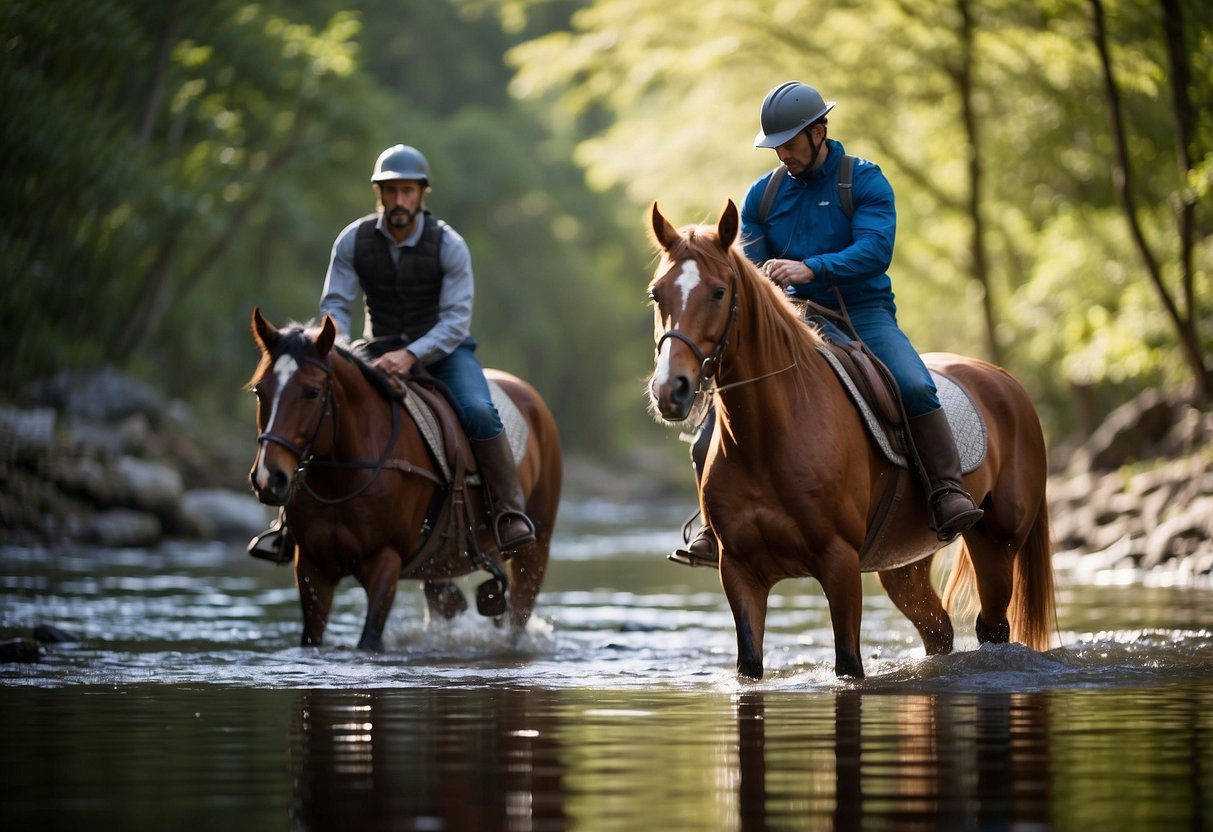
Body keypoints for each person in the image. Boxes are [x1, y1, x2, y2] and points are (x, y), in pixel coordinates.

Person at [671, 82, 983, 567]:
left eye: (790, 144)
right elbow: (744, 270)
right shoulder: (762, 195)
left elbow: (876, 250)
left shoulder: (863, 180)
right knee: (711, 424)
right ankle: (715, 526)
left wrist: (812, 267)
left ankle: (946, 492)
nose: (783, 155)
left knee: (915, 385)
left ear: (819, 132)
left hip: (863, 314)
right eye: (775, 146)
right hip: (789, 320)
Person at [249, 144, 534, 562]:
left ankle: (508, 513)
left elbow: (456, 320)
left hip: (444, 351)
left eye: (407, 191)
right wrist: (335, 352)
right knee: (313, 404)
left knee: (478, 410)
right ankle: (288, 524)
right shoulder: (352, 240)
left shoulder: (449, 245)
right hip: (372, 348)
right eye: (390, 191)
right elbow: (335, 307)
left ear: (422, 194)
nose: (399, 200)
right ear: (378, 194)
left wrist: (411, 355)